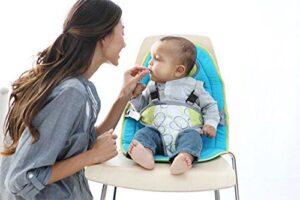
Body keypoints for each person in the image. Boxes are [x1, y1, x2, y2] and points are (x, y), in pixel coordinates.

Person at [0, 0, 149, 199]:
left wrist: (124, 97)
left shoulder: (79, 87)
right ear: (103, 37)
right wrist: (92, 156)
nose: (124, 42)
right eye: (122, 32)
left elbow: (75, 145)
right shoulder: (71, 93)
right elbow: (22, 179)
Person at [127, 36, 220, 175]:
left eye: (156, 59)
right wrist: (135, 96)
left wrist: (210, 124)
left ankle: (184, 156)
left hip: (185, 133)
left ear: (178, 70)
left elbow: (210, 106)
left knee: (193, 139)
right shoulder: (151, 87)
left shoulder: (194, 87)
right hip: (156, 135)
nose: (149, 62)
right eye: (151, 58)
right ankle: (145, 152)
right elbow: (139, 108)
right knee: (145, 134)